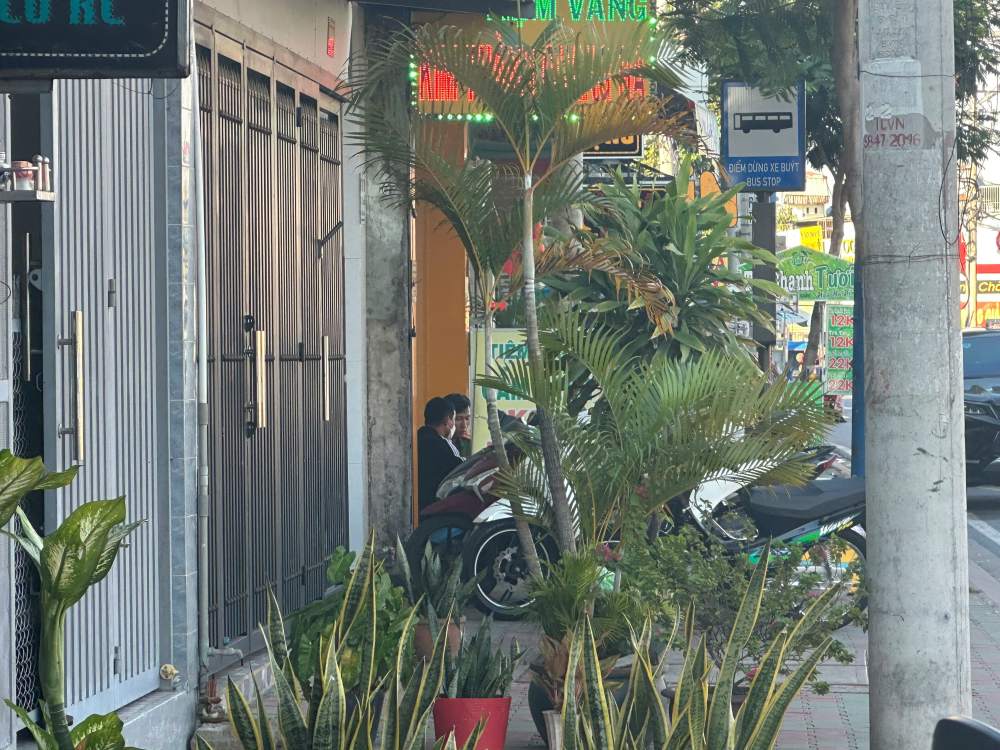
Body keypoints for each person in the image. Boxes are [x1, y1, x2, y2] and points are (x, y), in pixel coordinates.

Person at [417, 397, 464, 512]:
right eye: (454, 419)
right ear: (447, 420)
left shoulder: (417, 437)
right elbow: (459, 469)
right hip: (433, 507)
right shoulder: (442, 445)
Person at [444, 393, 473, 458]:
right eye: (458, 419)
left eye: (467, 418)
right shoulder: (436, 443)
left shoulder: (469, 443)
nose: (464, 425)